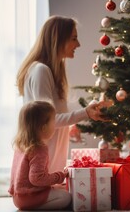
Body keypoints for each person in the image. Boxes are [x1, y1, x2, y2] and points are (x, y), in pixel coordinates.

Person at [16, 15, 104, 173]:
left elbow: (52, 116)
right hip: (44, 165)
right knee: (68, 197)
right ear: (58, 39)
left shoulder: (50, 71)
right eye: (74, 38)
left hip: (51, 160)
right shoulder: (41, 71)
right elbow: (49, 120)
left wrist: (70, 126)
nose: (78, 44)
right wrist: (85, 113)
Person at [8, 100, 71, 210]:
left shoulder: (21, 145)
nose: (55, 125)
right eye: (53, 121)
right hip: (29, 198)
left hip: (17, 197)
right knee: (66, 198)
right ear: (44, 127)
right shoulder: (39, 149)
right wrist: (60, 176)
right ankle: (34, 208)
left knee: (61, 189)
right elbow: (37, 179)